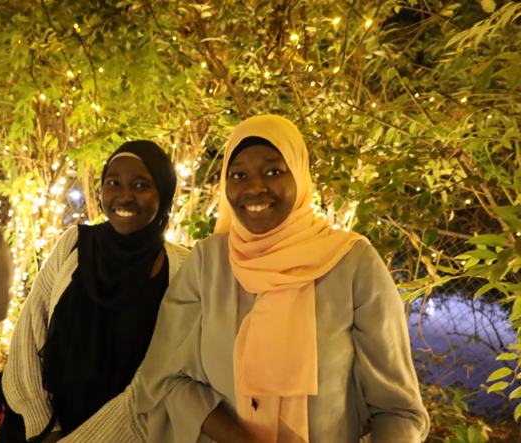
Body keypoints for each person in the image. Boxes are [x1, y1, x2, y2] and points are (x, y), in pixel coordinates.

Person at [136, 115, 430, 443]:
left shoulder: (352, 264)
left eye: (274, 171)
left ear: (300, 175)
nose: (255, 187)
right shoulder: (208, 262)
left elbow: (398, 410)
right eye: (239, 175)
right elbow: (166, 379)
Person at [2, 141, 189, 443]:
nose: (125, 196)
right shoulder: (72, 245)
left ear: (164, 195)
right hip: (52, 426)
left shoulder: (181, 269)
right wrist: (44, 427)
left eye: (141, 185)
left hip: (131, 435)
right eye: (113, 183)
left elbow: (159, 381)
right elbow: (29, 332)